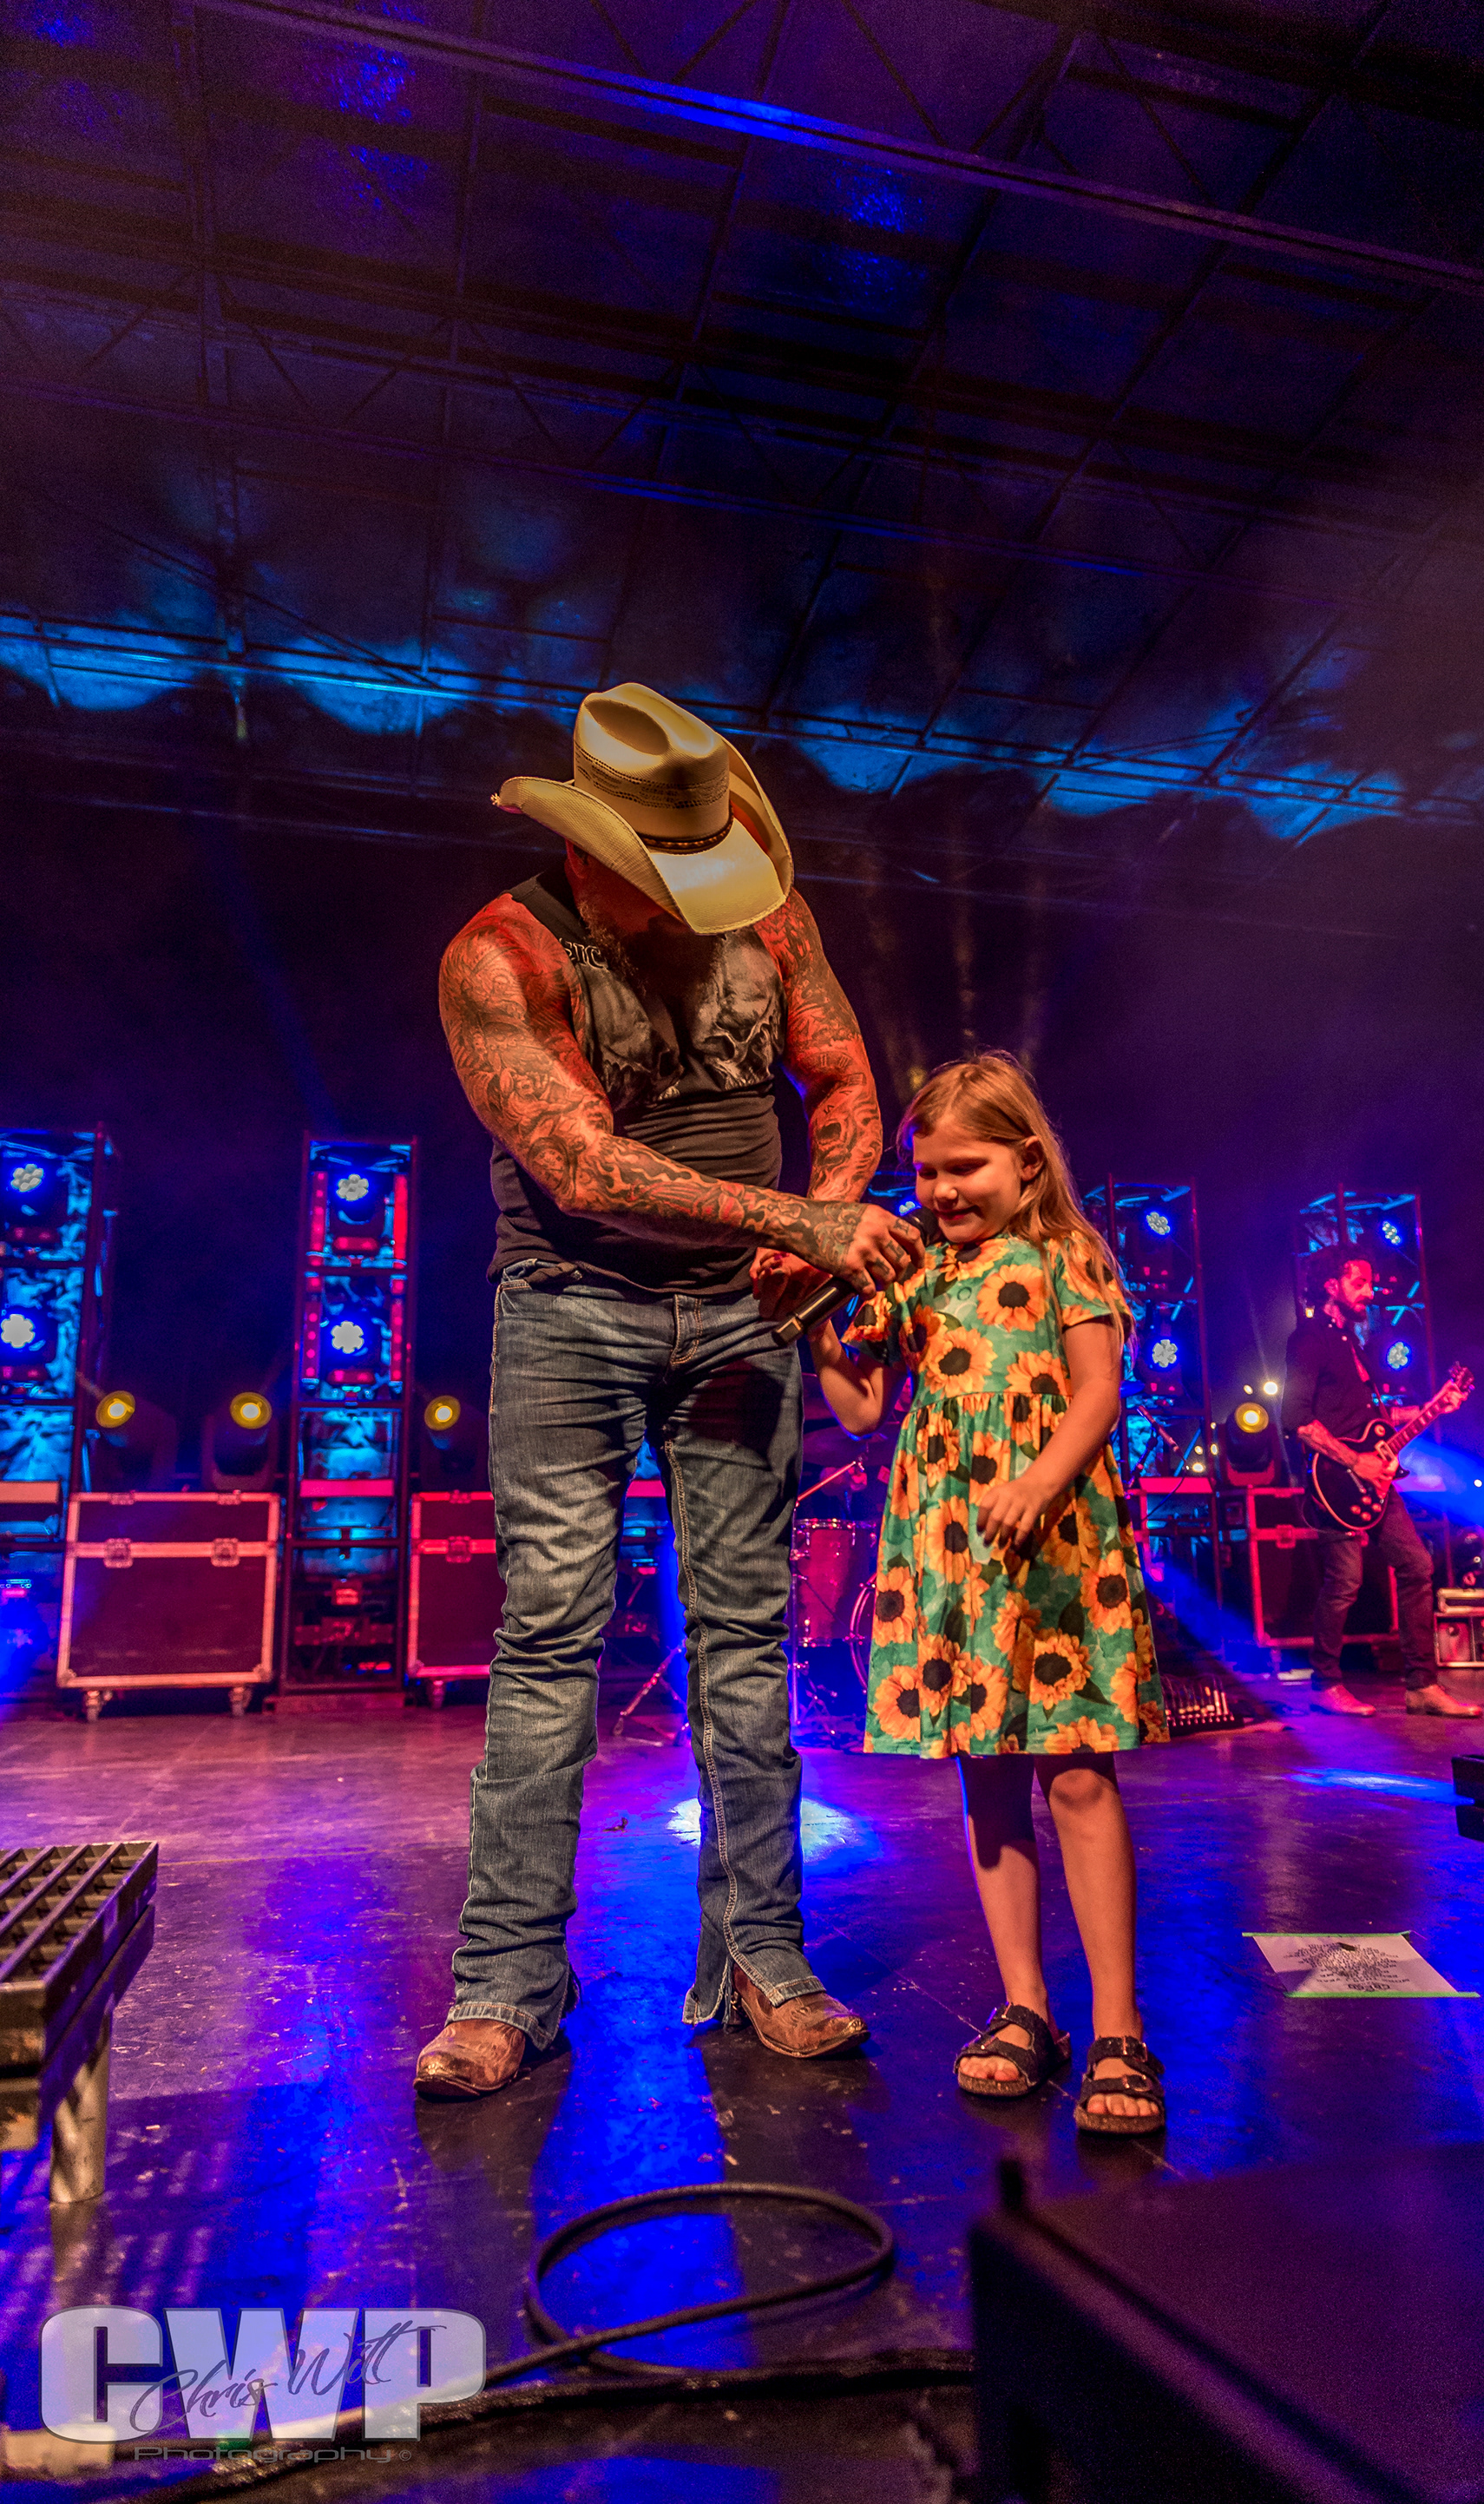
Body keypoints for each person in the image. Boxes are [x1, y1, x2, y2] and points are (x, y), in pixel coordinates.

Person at [414, 682, 923, 2100]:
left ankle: (764, 1955)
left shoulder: (769, 918)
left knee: (746, 1640)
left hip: (742, 1318)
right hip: (570, 1306)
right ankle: (506, 1985)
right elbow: (582, 1168)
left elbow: (843, 1077)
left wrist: (823, 1221)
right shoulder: (502, 955)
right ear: (594, 849)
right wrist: (799, 1221)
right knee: (550, 1639)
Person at [807, 1053, 1170, 2136]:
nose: (942, 1189)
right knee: (990, 1775)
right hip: (953, 1540)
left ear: (1026, 1160)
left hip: (1051, 1537)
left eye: (964, 1166)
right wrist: (820, 1320)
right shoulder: (916, 1272)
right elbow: (861, 1407)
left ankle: (1118, 2027)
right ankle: (1025, 2006)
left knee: (1078, 1775)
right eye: (927, 1171)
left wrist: (1039, 1479)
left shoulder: (1068, 1254)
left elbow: (1098, 1390)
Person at [1282, 1247, 1480, 1720]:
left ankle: (1422, 1686)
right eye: (1359, 1283)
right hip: (1334, 1481)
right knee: (1345, 1581)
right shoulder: (1308, 1338)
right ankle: (1325, 1683)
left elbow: (1373, 1418)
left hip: (1374, 1481)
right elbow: (1296, 1419)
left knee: (1416, 1565)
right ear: (1331, 1286)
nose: (1370, 1293)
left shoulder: (1354, 1343)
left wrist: (1431, 1408)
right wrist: (1356, 1462)